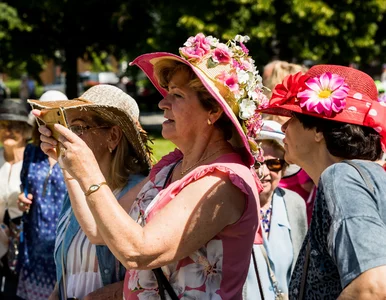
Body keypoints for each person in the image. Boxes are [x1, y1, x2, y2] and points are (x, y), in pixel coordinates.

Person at [36, 33, 265, 299]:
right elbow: (99, 231)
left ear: (213, 111)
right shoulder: (173, 166)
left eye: (177, 95)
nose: (162, 103)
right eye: (167, 92)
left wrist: (89, 171)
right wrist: (69, 165)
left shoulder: (223, 180)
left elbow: (139, 252)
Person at [261, 65, 386, 298]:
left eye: (294, 118)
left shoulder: (342, 177)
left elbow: (373, 286)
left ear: (318, 129)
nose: (284, 127)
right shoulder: (362, 176)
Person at [31, 84, 152, 300]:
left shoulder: (142, 190)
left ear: (113, 136)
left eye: (77, 128)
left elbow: (97, 233)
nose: (68, 136)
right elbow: (69, 270)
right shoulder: (75, 190)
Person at [243, 120, 307, 300]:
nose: (263, 172)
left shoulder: (294, 203)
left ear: (284, 167)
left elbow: (301, 270)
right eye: (256, 164)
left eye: (274, 165)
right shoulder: (234, 205)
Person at [16, 90, 69, 300]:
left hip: (63, 241)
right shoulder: (31, 151)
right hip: (35, 240)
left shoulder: (74, 151)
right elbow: (25, 186)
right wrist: (22, 198)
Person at [0, 99, 32, 299]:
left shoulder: (34, 161)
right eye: (3, 126)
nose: (8, 131)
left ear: (26, 131)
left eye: (15, 126)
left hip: (25, 244)